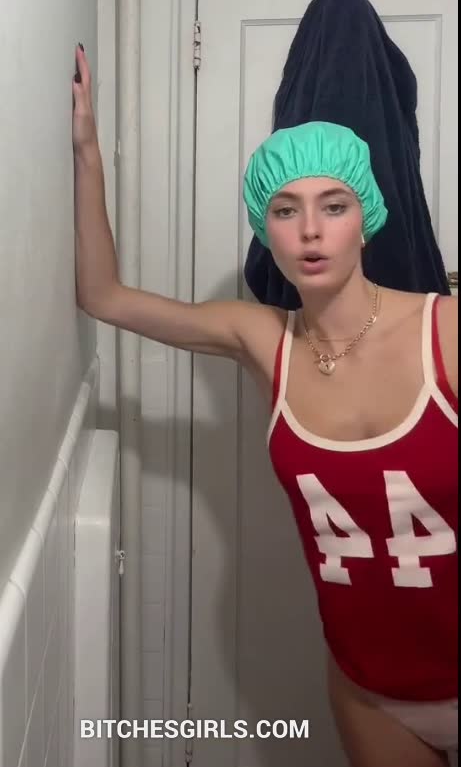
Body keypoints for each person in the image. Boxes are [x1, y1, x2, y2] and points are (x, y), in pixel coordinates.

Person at [72, 46, 458, 767]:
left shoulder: (446, 333)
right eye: (286, 210)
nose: (310, 229)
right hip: (369, 690)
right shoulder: (261, 340)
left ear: (365, 217)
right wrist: (87, 150)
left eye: (333, 206)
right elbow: (104, 296)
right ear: (264, 226)